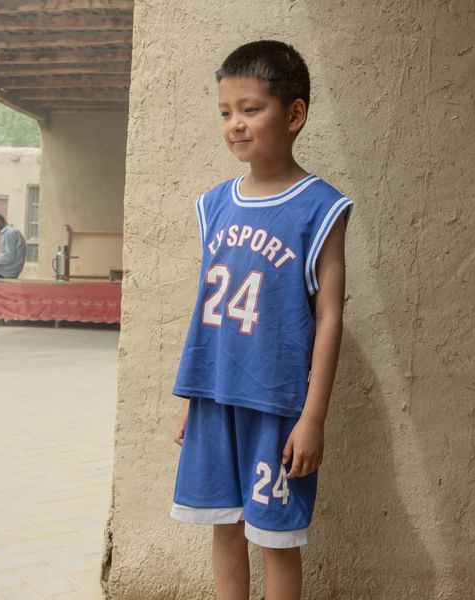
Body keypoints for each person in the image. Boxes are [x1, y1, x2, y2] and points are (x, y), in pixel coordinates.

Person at [170, 40, 352, 600]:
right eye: (226, 113)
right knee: (223, 531)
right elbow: (208, 309)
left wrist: (313, 417)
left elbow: (329, 316)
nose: (235, 125)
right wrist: (192, 398)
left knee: (275, 540)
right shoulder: (213, 203)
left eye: (251, 109)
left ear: (294, 114)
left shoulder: (320, 207)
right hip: (213, 397)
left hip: (276, 406)